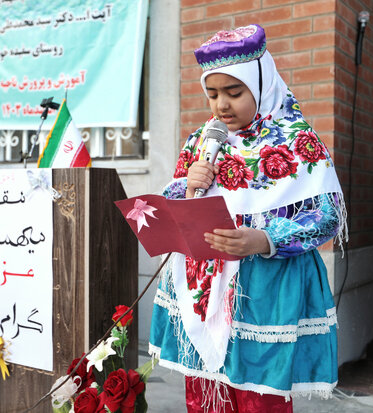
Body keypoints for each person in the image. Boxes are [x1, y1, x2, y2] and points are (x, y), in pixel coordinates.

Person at [149, 24, 346, 413]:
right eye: (213, 94)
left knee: (259, 396)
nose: (221, 105)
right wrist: (188, 185)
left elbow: (327, 214)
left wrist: (264, 239)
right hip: (204, 287)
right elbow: (177, 203)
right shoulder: (201, 142)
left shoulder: (294, 139)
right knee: (206, 393)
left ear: (261, 82)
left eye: (233, 92)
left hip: (264, 290)